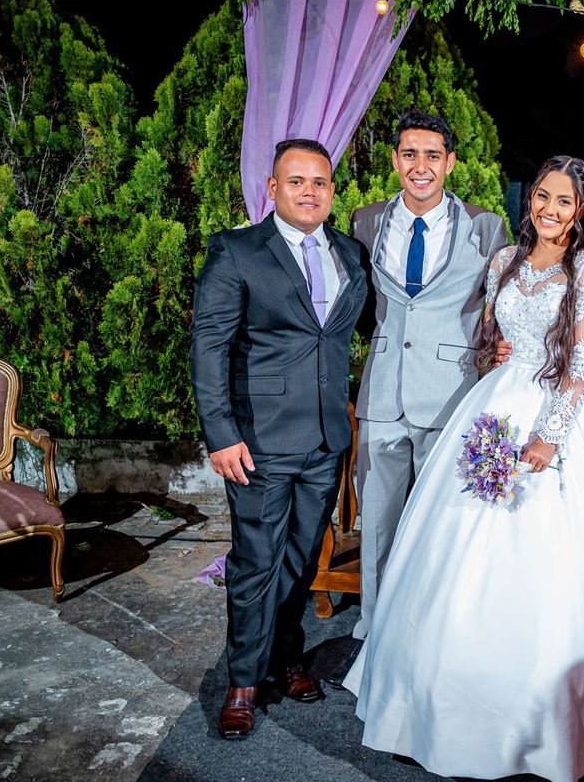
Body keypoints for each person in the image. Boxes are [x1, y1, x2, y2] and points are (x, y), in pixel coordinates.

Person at [344, 156, 584, 782]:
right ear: (531, 200)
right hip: (492, 404)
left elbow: (583, 362)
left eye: (563, 201)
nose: (549, 209)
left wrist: (549, 437)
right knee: (451, 542)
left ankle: (529, 722)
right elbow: (490, 337)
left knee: (536, 554)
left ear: (580, 210)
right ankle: (429, 700)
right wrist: (494, 354)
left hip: (549, 414)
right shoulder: (504, 262)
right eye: (542, 196)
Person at [190, 138, 369, 739]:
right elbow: (209, 347)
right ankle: (243, 681)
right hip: (258, 441)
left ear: (331, 190)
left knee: (301, 557)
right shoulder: (237, 251)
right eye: (296, 181)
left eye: (319, 182)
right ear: (273, 188)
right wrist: (220, 434)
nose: (309, 192)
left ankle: (286, 658)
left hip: (325, 438)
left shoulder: (349, 253)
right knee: (255, 561)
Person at [344, 110, 508, 653]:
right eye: (410, 154)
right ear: (395, 160)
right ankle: (375, 633)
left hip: (451, 394)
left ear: (450, 162)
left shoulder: (485, 226)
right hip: (381, 395)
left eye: (432, 155)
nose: (421, 166)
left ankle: (436, 636)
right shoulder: (365, 221)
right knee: (378, 525)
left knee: (443, 523)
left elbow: (501, 304)